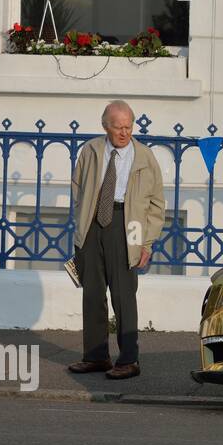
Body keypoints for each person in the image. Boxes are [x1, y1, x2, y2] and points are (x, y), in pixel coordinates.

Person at [66, 100, 166, 379]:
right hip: (92, 224)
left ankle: (129, 360)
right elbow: (78, 188)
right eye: (118, 127)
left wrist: (146, 242)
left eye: (128, 127)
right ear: (105, 126)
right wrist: (82, 223)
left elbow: (157, 204)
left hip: (126, 223)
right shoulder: (91, 150)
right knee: (92, 294)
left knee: (124, 296)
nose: (124, 133)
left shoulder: (144, 157)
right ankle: (96, 357)